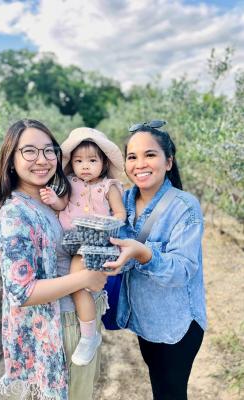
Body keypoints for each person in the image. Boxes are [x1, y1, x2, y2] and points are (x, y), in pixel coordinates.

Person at [0, 119, 107, 400]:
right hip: (59, 327)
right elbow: (22, 291)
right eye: (29, 151)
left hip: (74, 319)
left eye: (48, 150)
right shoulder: (15, 214)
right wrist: (85, 278)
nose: (42, 160)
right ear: (11, 160)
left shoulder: (49, 201)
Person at [104, 120, 207, 400]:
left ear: (168, 161)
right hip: (145, 320)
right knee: (159, 388)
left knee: (171, 392)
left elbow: (183, 270)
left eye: (150, 154)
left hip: (177, 324)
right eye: (132, 157)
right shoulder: (122, 201)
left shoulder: (184, 207)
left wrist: (143, 253)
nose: (140, 164)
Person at [39, 127, 126, 366]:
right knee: (72, 282)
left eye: (91, 160)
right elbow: (62, 204)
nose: (84, 166)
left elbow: (120, 213)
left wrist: (106, 224)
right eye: (78, 161)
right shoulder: (69, 182)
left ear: (103, 162)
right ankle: (83, 331)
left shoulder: (109, 187)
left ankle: (89, 335)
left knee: (78, 285)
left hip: (93, 241)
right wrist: (53, 200)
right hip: (69, 241)